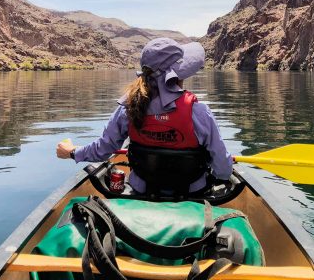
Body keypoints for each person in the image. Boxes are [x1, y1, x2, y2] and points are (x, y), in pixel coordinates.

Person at [56, 37, 233, 195]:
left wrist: (72, 152)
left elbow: (102, 150)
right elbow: (223, 170)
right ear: (178, 73)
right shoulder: (200, 111)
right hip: (192, 195)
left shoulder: (128, 107)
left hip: (142, 192)